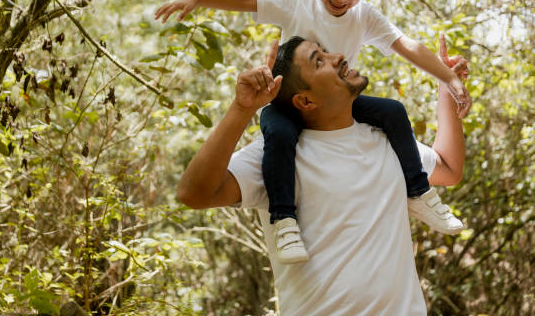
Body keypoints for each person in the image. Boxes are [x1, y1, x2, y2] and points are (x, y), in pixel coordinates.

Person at [159, 0, 471, 263]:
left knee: (393, 111)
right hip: (288, 102)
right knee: (278, 134)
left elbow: (407, 45)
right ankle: (284, 218)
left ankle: (419, 192)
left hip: (339, 104)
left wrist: (448, 78)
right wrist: (198, 1)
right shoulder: (297, 2)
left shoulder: (364, 17)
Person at [177, 36, 468, 315]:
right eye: (319, 61)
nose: (338, 56)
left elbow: (449, 168)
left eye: (326, 51)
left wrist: (446, 86)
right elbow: (195, 193)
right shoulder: (275, 156)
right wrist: (241, 109)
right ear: (304, 101)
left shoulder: (387, 139)